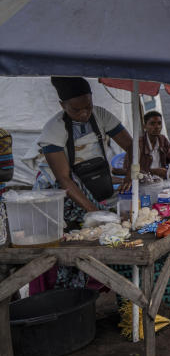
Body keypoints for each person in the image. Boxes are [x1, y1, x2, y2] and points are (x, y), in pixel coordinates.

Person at [38, 77, 133, 290]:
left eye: (88, 107)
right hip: (60, 194)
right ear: (62, 105)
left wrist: (130, 173)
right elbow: (63, 179)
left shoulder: (100, 115)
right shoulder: (53, 130)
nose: (84, 114)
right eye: (76, 110)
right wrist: (93, 212)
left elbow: (131, 144)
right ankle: (69, 294)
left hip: (93, 183)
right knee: (73, 244)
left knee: (101, 235)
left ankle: (98, 286)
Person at [124, 111, 170, 179]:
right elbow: (128, 170)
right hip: (143, 182)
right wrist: (154, 171)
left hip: (162, 180)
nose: (157, 127)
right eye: (152, 124)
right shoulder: (138, 144)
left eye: (159, 123)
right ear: (145, 126)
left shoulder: (163, 140)